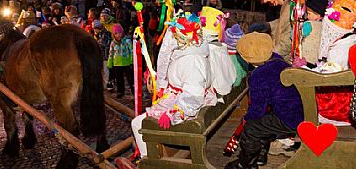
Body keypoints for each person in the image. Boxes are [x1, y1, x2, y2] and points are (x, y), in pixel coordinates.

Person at [131, 15, 216, 158]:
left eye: (174, 33)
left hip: (186, 108)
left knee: (138, 124)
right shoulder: (192, 53)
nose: (171, 36)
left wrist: (173, 114)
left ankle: (150, 161)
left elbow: (193, 96)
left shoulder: (191, 61)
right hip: (185, 101)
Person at [225, 32, 303, 169]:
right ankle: (260, 155)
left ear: (247, 59)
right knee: (264, 123)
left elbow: (257, 109)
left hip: (289, 117)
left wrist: (247, 119)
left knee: (252, 128)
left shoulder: (259, 74)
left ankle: (246, 164)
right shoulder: (278, 60)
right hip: (301, 108)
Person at [107, 23, 134, 98]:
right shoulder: (113, 43)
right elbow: (111, 53)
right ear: (114, 34)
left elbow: (131, 51)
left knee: (130, 78)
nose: (118, 35)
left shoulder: (127, 41)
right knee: (119, 79)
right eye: (116, 33)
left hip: (126, 63)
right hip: (117, 64)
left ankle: (134, 90)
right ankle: (120, 91)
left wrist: (132, 61)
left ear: (122, 33)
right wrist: (110, 63)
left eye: (119, 33)